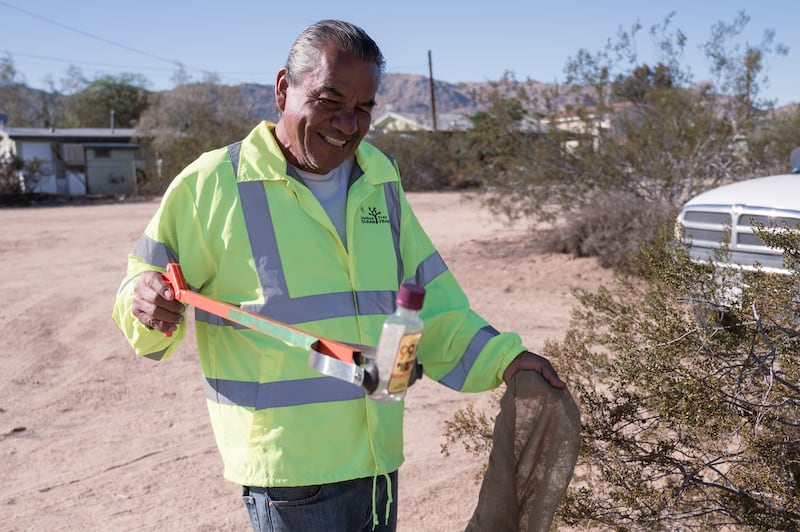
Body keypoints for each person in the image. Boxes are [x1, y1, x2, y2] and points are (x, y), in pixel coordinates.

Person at [113, 19, 575, 532]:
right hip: (291, 475)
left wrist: (505, 359)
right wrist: (145, 298)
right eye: (329, 100)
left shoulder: (379, 177)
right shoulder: (213, 183)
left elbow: (432, 301)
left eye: (363, 108)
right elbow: (145, 284)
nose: (347, 123)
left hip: (377, 460)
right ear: (284, 89)